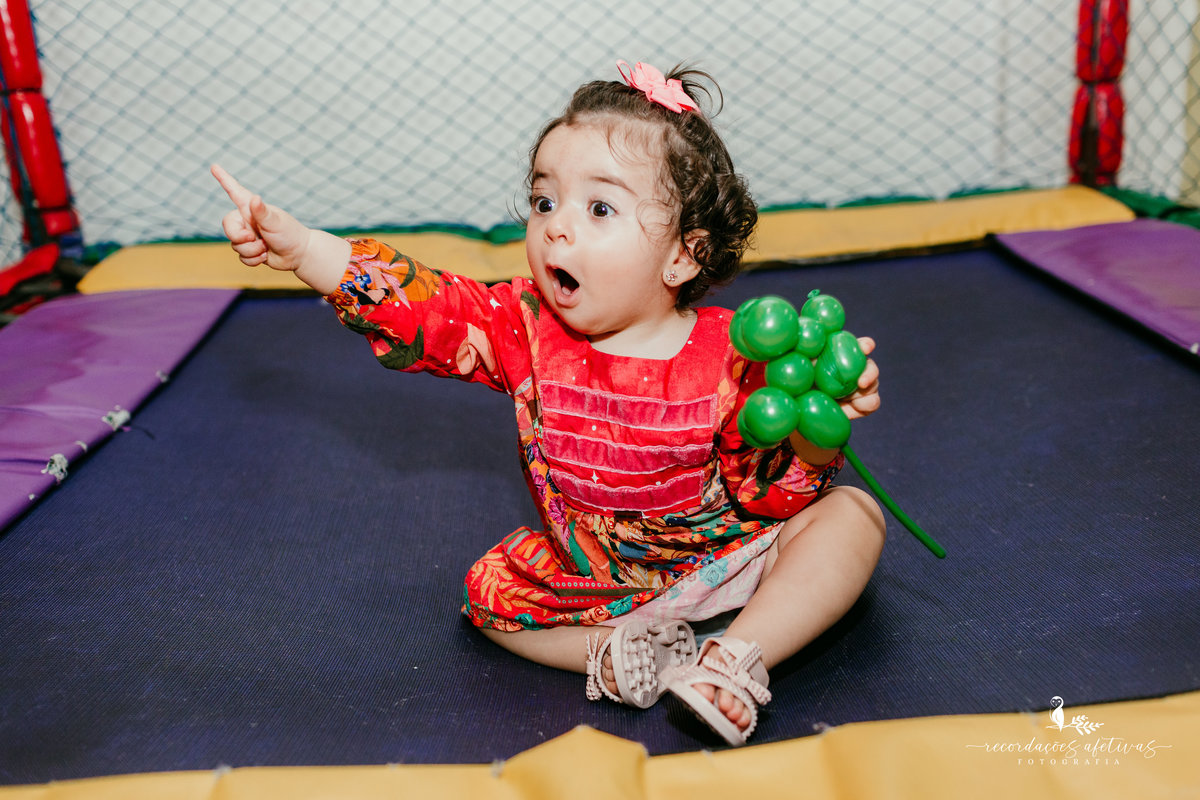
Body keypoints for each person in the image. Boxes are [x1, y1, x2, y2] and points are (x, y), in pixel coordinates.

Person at [212, 60, 886, 747]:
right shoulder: (523, 327)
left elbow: (769, 499)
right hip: (605, 585)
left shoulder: (735, 356)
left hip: (731, 559)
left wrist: (816, 432)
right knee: (488, 591)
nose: (557, 228)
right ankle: (615, 657)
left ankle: (735, 659)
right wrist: (302, 250)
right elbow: (427, 307)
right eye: (544, 202)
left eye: (599, 208)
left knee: (852, 515)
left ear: (683, 257)